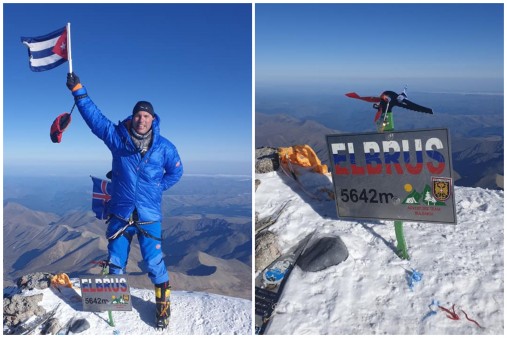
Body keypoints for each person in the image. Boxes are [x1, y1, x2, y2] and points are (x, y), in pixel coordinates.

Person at [66, 72, 183, 329]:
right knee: (115, 261)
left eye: (147, 116)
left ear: (153, 119)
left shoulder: (165, 147)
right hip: (120, 212)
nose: (142, 119)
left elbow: (177, 171)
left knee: (154, 262)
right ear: (133, 117)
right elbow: (95, 119)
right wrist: (78, 91)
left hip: (149, 214)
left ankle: (163, 307)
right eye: (138, 115)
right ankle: (111, 304)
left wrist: (156, 188)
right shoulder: (118, 138)